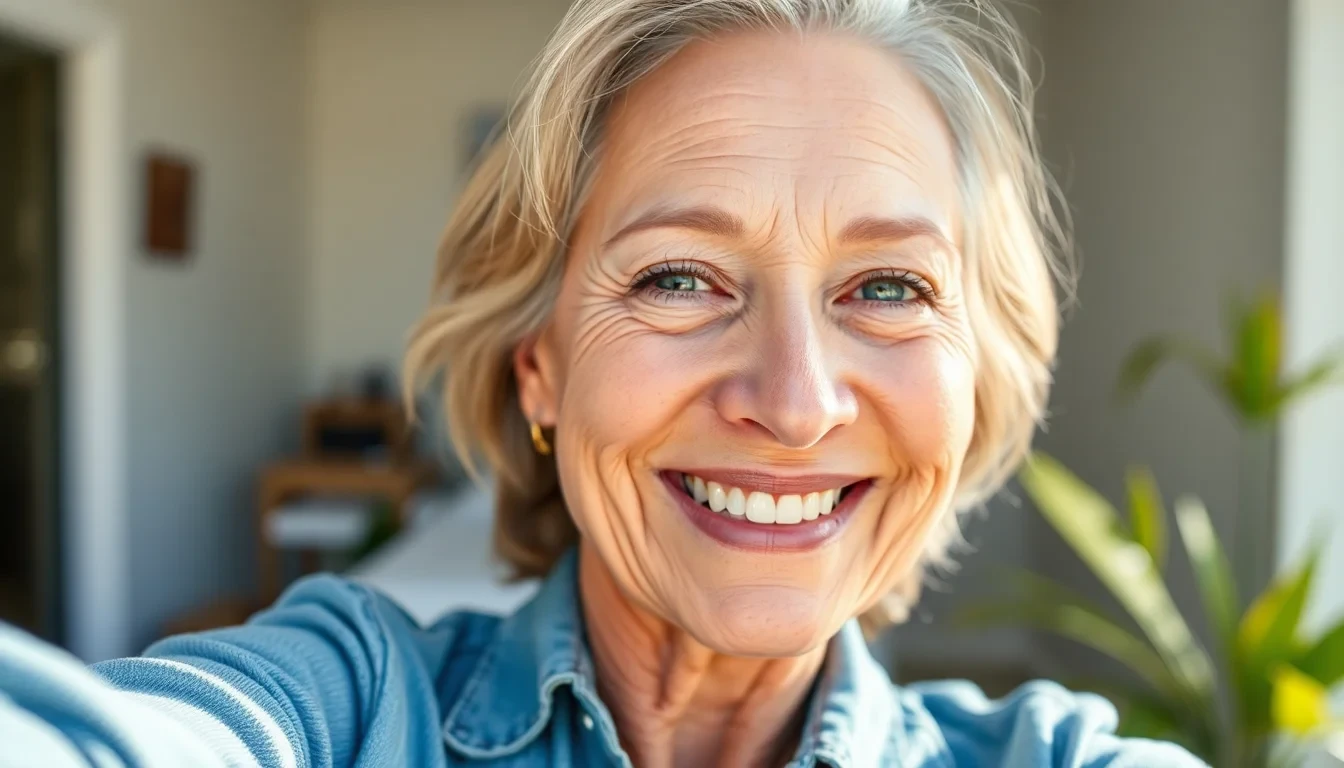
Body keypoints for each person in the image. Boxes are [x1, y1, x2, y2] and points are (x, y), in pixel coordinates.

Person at [0, 0, 1207, 765]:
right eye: (680, 277)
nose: (795, 404)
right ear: (540, 369)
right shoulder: (354, 708)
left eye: (889, 287)